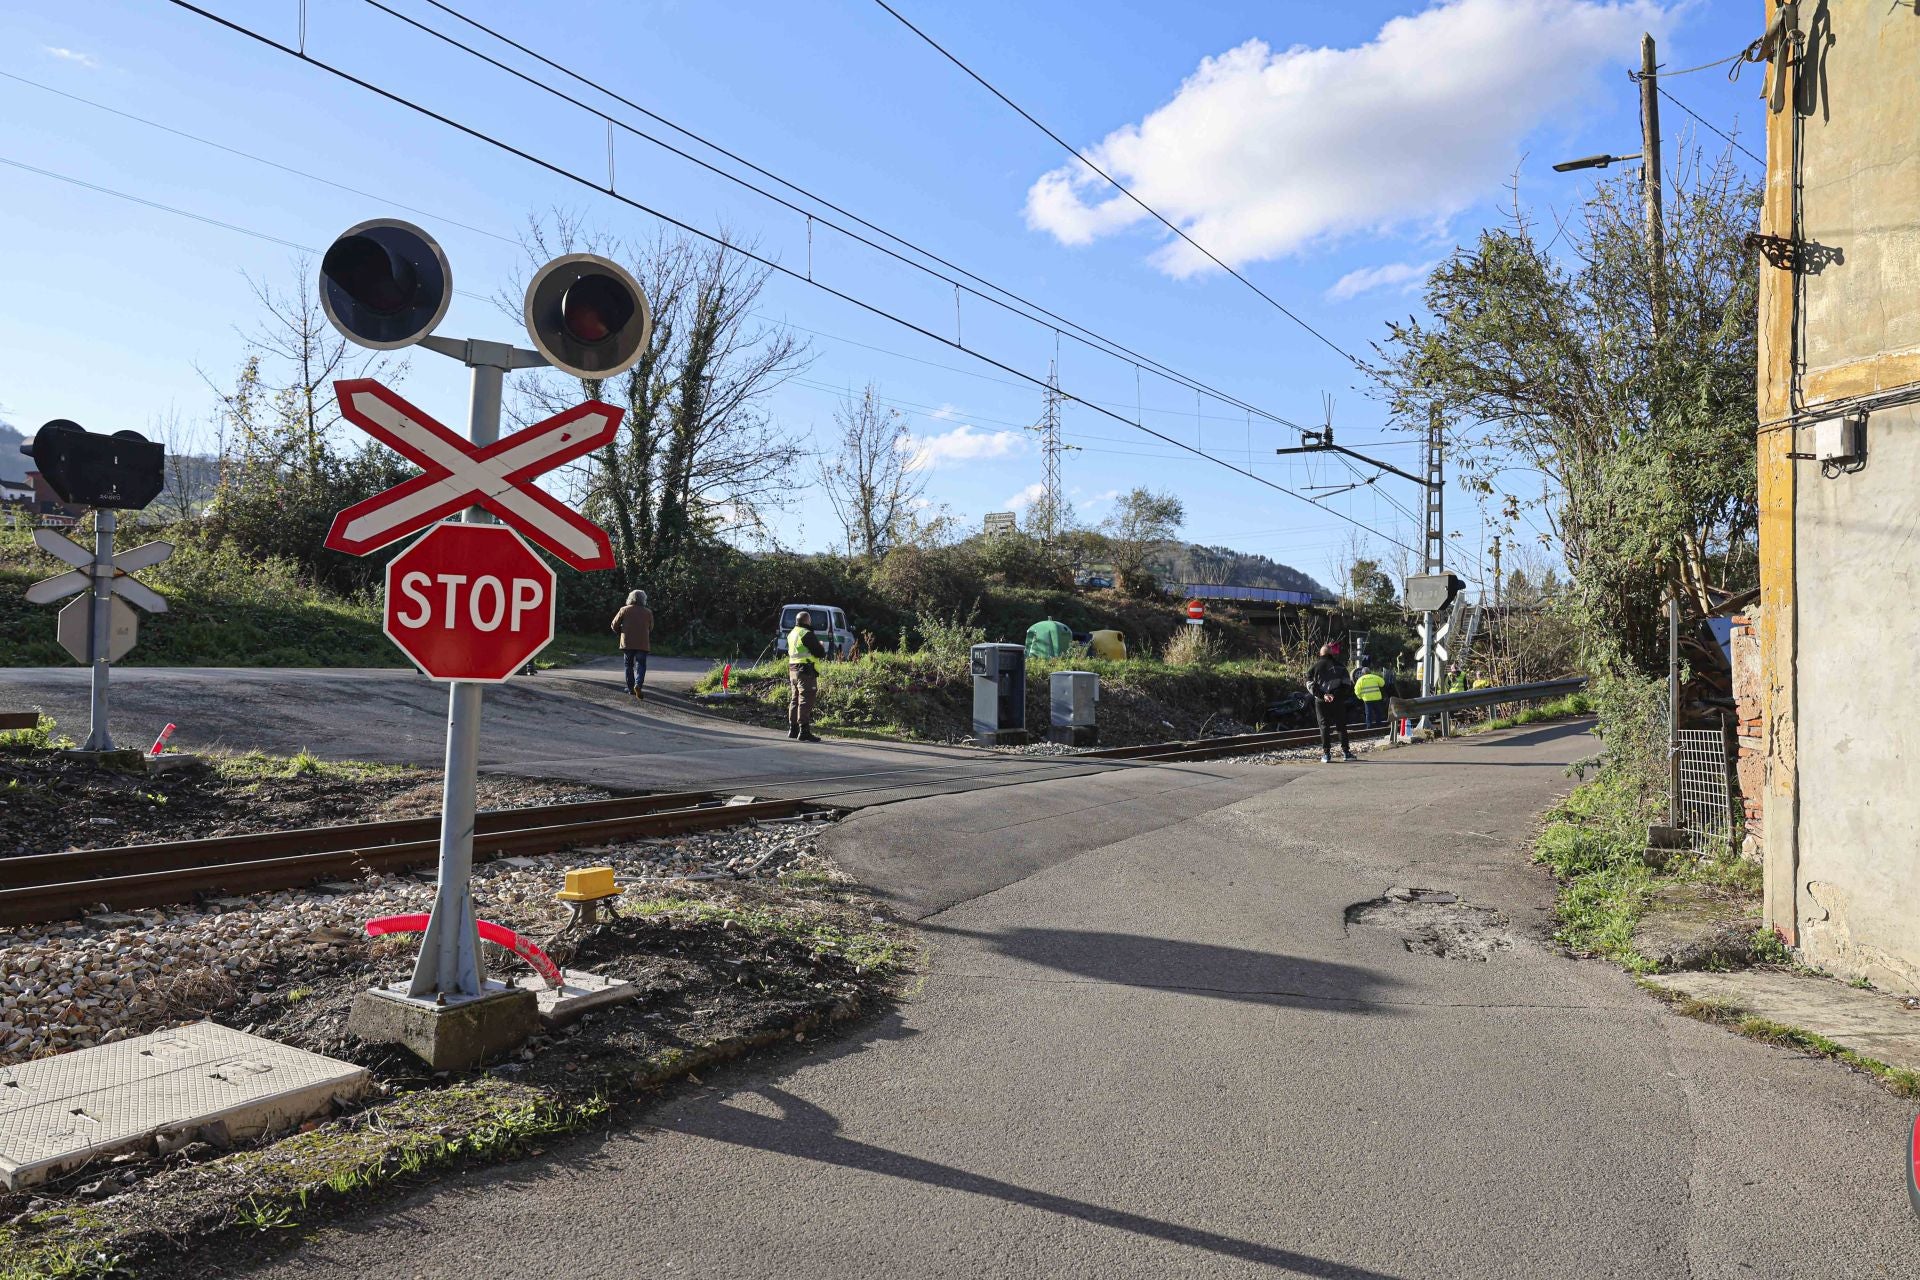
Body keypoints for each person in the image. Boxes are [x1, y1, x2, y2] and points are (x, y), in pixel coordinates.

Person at [1306, 643, 1355, 763]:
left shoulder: (1314, 667)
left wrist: (1323, 695)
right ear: (1331, 653)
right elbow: (1347, 685)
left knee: (1324, 726)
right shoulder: (1341, 667)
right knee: (1341, 726)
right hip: (1337, 701)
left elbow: (1309, 684)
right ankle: (1346, 753)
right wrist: (1335, 695)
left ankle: (1326, 754)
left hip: (1321, 701)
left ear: (1320, 654)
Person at [786, 609, 826, 742]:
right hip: (806, 671)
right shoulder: (806, 633)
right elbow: (819, 652)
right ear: (807, 621)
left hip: (793, 670)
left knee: (795, 699)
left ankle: (793, 729)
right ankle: (804, 731)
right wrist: (821, 645)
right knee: (805, 699)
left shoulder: (792, 633)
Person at [610, 589, 653, 699]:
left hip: (627, 642)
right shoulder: (648, 612)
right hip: (642, 643)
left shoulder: (624, 610)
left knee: (628, 665)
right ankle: (638, 685)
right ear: (643, 599)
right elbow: (651, 627)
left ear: (631, 598)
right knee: (641, 665)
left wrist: (621, 633)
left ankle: (630, 688)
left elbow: (614, 625)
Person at [1353, 664, 1388, 730]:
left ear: (1363, 673)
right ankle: (1379, 724)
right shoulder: (1375, 677)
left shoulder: (1360, 680)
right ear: (1370, 672)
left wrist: (1360, 697)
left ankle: (1369, 726)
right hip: (1377, 698)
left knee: (1368, 713)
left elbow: (1357, 690)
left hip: (1367, 699)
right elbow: (1382, 683)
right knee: (1378, 712)